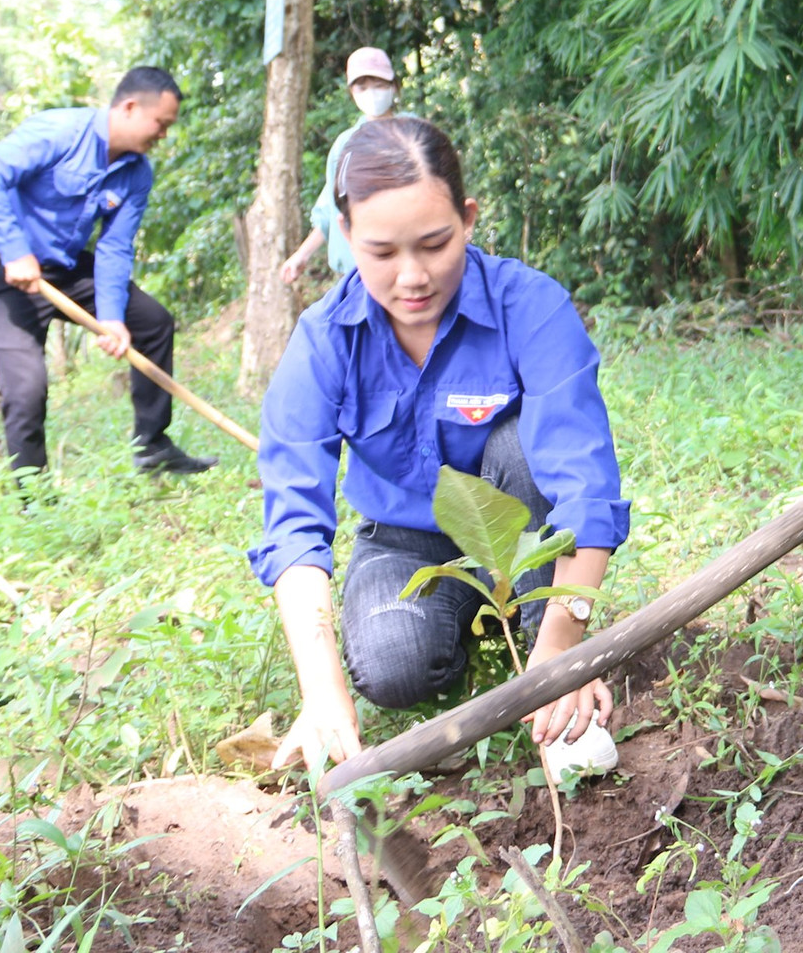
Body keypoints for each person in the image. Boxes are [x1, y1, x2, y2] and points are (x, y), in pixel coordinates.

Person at [251, 116, 629, 773]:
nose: (412, 277)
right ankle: (473, 624)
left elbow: (585, 487)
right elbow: (293, 526)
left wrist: (564, 649)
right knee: (392, 668)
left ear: (469, 218)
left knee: (519, 446)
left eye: (433, 244)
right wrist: (321, 691)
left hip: (522, 533)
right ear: (345, 238)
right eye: (382, 253)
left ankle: (536, 624)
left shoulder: (529, 306)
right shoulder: (322, 343)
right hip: (404, 543)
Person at [0, 66, 216, 478]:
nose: (163, 135)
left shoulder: (137, 172)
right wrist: (14, 250)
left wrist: (111, 318)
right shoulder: (58, 132)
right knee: (26, 386)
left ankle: (152, 447)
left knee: (152, 322)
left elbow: (114, 246)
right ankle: (36, 501)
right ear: (131, 107)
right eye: (161, 124)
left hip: (61, 266)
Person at [279, 46, 409, 286]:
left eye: (379, 84)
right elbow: (331, 210)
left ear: (394, 86)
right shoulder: (344, 146)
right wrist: (301, 255)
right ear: (352, 92)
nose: (371, 92)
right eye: (362, 86)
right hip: (355, 277)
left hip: (405, 267)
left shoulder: (415, 134)